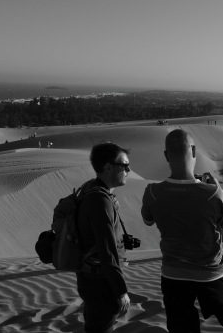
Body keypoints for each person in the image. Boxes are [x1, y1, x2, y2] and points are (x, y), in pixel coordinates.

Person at [141, 129, 223, 333]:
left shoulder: (152, 193)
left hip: (173, 275)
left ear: (166, 155)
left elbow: (147, 221)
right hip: (211, 274)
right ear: (194, 151)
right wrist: (219, 191)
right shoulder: (212, 193)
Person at [75, 142, 132, 333]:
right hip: (100, 284)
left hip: (92, 280)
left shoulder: (91, 190)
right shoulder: (100, 201)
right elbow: (108, 251)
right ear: (108, 167)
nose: (128, 170)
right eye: (124, 166)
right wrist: (120, 291)